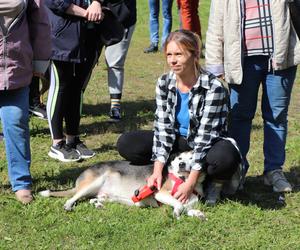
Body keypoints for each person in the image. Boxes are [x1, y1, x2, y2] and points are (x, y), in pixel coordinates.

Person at [117, 30, 242, 205]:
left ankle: (214, 184)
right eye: (169, 54)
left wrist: (190, 183)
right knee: (127, 143)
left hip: (208, 142)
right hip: (179, 140)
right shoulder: (164, 82)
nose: (173, 60)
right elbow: (162, 128)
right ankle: (168, 172)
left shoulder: (214, 87)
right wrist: (157, 170)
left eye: (179, 54)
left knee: (225, 159)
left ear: (195, 55)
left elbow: (205, 137)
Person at [205, 0, 300, 193]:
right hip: (241, 61)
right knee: (239, 116)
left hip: (280, 57)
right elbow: (215, 26)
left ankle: (273, 171)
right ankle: (237, 170)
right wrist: (215, 65)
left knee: (276, 117)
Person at [0, 0, 51, 203]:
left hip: (16, 68)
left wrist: (40, 60)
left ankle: (21, 183)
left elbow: (41, 22)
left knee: (17, 124)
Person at [45, 0, 102, 162]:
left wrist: (97, 3)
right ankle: (57, 143)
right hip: (60, 37)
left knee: (77, 89)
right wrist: (86, 13)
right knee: (60, 87)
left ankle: (73, 138)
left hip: (88, 36)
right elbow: (55, 2)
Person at [99, 0, 137, 122]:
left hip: (121, 16)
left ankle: (115, 106)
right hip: (90, 14)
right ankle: (74, 101)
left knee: (115, 63)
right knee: (86, 62)